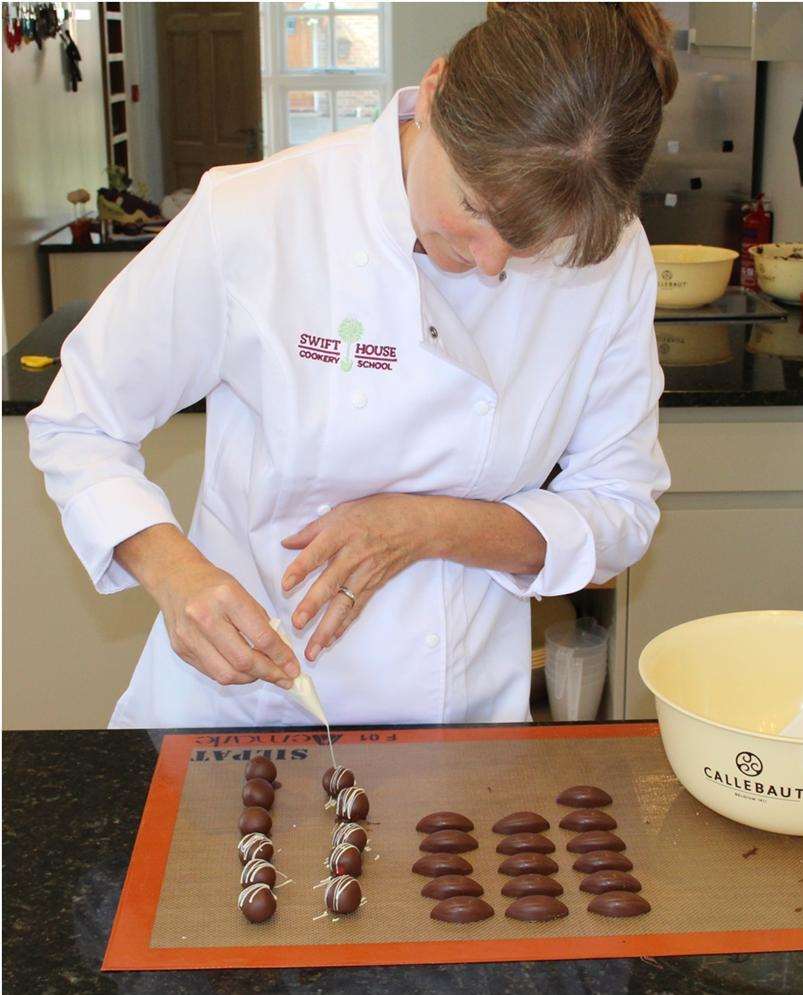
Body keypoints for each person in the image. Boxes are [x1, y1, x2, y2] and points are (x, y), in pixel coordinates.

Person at [27, 3, 676, 729]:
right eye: (473, 206)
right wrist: (175, 574)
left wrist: (429, 526)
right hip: (244, 712)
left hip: (457, 733)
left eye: (536, 244)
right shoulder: (260, 214)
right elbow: (79, 423)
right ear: (434, 92)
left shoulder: (612, 257)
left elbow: (619, 509)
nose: (492, 263)